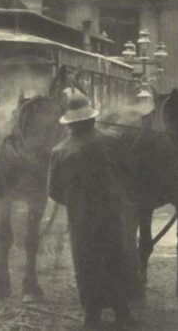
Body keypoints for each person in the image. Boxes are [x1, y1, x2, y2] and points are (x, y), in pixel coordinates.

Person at [48, 92, 139, 328]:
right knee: (115, 258)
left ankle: (92, 315)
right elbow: (129, 173)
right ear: (91, 119)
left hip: (80, 219)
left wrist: (76, 201)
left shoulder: (59, 151)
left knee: (86, 262)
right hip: (112, 213)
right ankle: (122, 311)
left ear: (69, 123)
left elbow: (54, 191)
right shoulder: (114, 140)